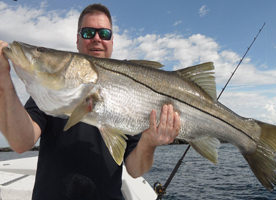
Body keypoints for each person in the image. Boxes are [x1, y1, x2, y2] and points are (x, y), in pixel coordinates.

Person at [0, 3, 180, 200]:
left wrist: (149, 142)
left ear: (112, 41)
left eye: (104, 33)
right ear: (77, 40)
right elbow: (20, 142)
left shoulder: (134, 95)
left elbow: (136, 170)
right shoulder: (46, 93)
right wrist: (4, 81)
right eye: (88, 33)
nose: (96, 39)